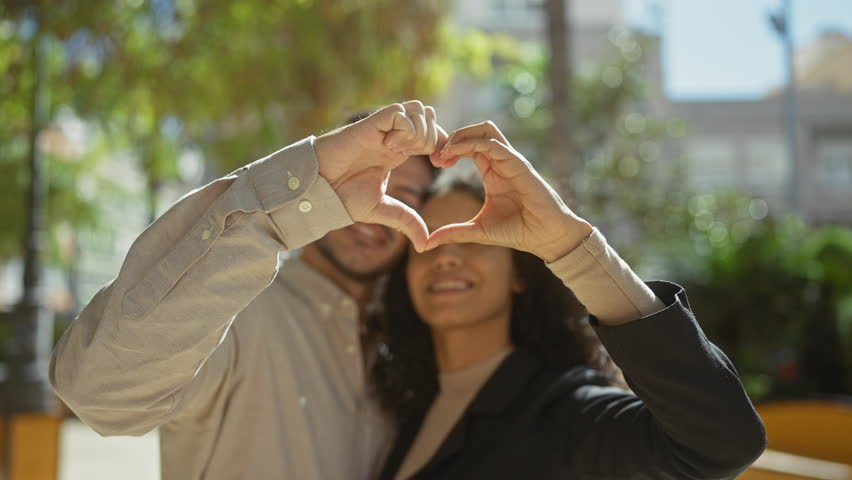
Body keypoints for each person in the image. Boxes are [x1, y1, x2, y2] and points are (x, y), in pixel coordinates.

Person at [50, 101, 444, 479]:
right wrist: (302, 186)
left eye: (406, 198)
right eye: (367, 179)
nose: (375, 206)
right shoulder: (240, 305)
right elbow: (100, 393)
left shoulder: (409, 342)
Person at [370, 121, 767, 480]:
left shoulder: (563, 412)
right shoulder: (404, 406)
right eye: (427, 240)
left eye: (471, 239)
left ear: (519, 277)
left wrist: (568, 247)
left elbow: (721, 446)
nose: (446, 257)